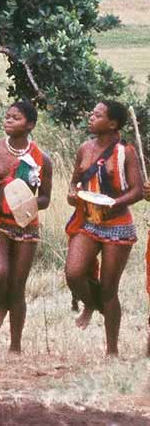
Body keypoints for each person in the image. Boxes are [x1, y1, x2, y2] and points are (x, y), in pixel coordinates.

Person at [0, 100, 53, 353]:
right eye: (7, 116)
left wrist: (24, 203)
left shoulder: (42, 159)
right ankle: (1, 305)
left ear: (29, 125)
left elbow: (45, 199)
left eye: (15, 118)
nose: (8, 120)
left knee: (18, 286)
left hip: (26, 225)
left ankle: (15, 345)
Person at [64, 100, 143, 357]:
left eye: (97, 115)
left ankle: (112, 350)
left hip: (118, 225)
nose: (91, 117)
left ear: (112, 124)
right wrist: (73, 194)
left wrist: (113, 203)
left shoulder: (126, 152)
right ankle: (90, 303)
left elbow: (137, 190)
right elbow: (74, 183)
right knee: (74, 273)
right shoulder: (84, 149)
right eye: (92, 112)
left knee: (110, 289)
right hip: (88, 222)